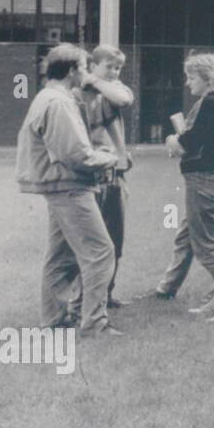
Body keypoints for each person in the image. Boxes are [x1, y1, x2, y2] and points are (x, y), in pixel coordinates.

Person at [15, 44, 121, 336]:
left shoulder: (47, 97)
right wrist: (111, 158)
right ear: (73, 70)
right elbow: (77, 155)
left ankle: (55, 319)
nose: (87, 74)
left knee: (61, 257)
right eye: (85, 68)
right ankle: (94, 325)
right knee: (101, 252)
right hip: (69, 186)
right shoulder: (59, 102)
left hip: (58, 185)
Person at [152, 52, 214, 304]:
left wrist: (173, 140)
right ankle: (169, 288)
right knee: (190, 235)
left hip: (203, 179)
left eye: (191, 77)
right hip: (211, 176)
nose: (188, 83)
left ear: (206, 77)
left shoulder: (211, 102)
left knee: (206, 247)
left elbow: (191, 142)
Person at [80, 45, 135, 310]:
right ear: (92, 64)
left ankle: (107, 294)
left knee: (116, 238)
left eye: (118, 67)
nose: (114, 72)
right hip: (92, 173)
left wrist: (99, 80)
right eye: (108, 66)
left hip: (115, 172)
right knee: (93, 242)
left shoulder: (110, 89)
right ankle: (84, 300)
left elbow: (124, 100)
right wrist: (92, 82)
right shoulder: (79, 91)